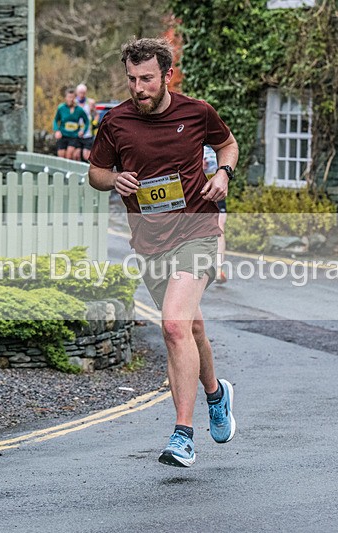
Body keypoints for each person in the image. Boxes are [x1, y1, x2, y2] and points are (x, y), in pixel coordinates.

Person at [88, 38, 239, 468]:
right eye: (132, 79)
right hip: (150, 242)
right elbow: (95, 172)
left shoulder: (197, 112)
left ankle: (183, 435)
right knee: (188, 329)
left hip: (197, 230)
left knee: (172, 324)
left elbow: (227, 146)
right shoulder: (115, 122)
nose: (139, 88)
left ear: (167, 75)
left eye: (148, 79)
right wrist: (113, 179)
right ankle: (216, 393)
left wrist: (223, 174)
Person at [203, 145, 228, 283]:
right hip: (196, 190)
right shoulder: (188, 134)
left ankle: (219, 269)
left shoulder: (220, 141)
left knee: (220, 227)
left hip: (216, 189)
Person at [53, 87, 88, 160]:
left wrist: (83, 131)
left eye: (72, 97)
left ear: (75, 98)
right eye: (69, 97)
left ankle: (69, 171)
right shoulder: (61, 108)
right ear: (65, 98)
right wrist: (57, 131)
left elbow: (87, 121)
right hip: (62, 135)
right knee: (61, 156)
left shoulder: (79, 110)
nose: (70, 99)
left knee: (69, 156)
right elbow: (55, 120)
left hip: (73, 136)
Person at [75, 83, 97, 162]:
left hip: (87, 133)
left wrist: (94, 123)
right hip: (76, 132)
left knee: (86, 156)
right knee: (76, 155)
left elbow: (96, 114)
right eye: (80, 93)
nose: (82, 95)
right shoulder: (74, 103)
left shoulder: (90, 102)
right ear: (77, 93)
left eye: (83, 93)